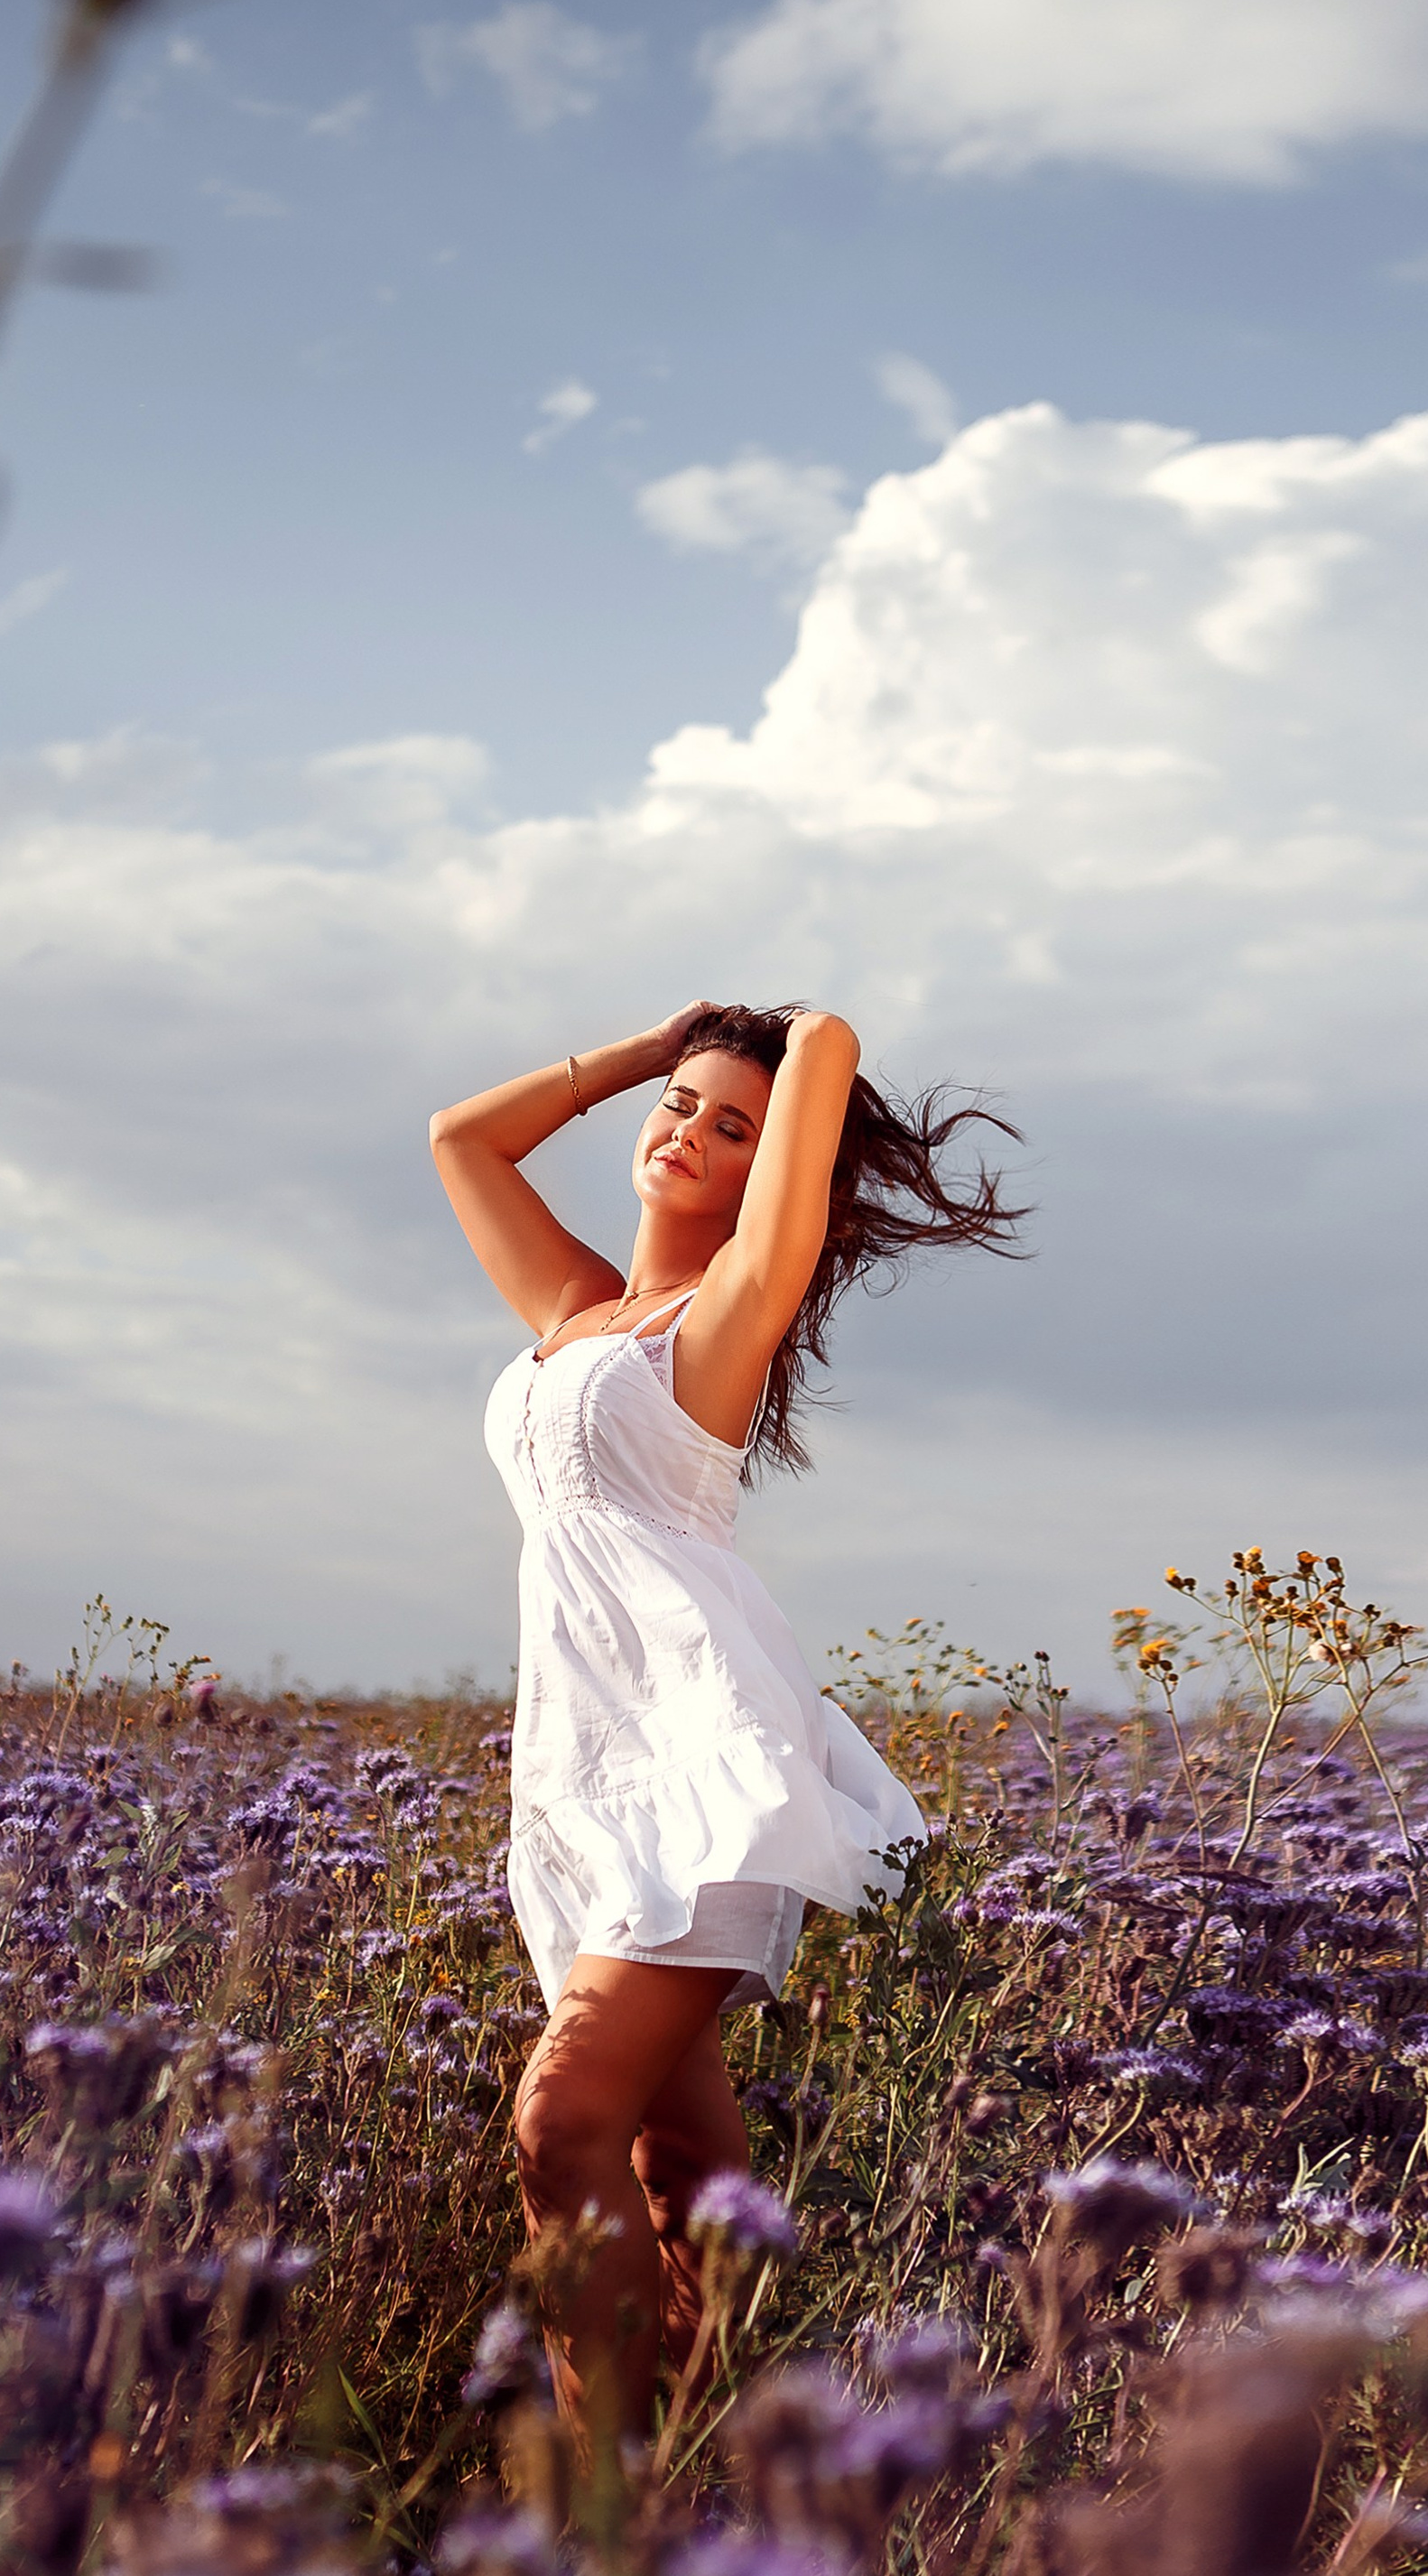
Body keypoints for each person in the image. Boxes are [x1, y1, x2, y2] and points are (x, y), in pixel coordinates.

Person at [430, 999, 1022, 2443]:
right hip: (584, 1769)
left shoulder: (732, 1307)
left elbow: (825, 1052)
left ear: (777, 1179)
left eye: (732, 1126)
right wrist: (655, 1051)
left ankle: (598, 2511)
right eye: (681, 1109)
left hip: (704, 1761)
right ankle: (745, 2452)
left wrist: (800, 1033)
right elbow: (463, 1139)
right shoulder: (578, 1311)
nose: (688, 1129)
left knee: (560, 2123)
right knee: (676, 2159)